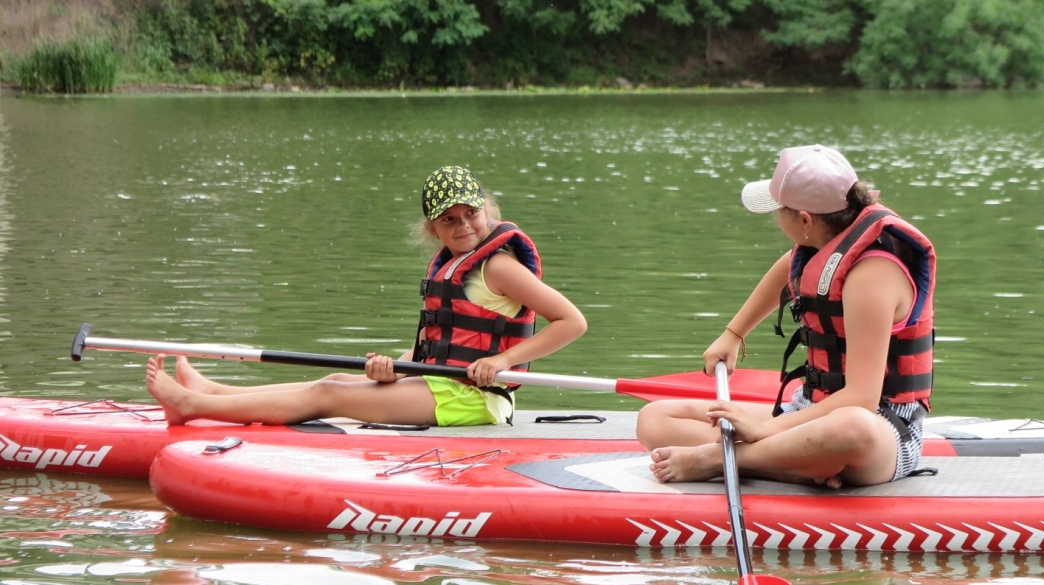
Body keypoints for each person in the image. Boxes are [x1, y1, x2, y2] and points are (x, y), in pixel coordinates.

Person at [145, 165, 587, 427]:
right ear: (432, 228)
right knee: (340, 381)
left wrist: (503, 362)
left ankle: (191, 406)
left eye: (471, 214)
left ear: (487, 210)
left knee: (327, 395)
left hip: (474, 399)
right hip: (439, 384)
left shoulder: (500, 266)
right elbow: (440, 337)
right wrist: (394, 367)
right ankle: (218, 391)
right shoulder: (451, 264)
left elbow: (572, 322)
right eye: (448, 220)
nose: (463, 225)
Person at [636, 144, 935, 489]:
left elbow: (862, 399)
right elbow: (784, 273)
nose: (776, 219)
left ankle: (721, 459)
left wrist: (765, 429)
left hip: (883, 431)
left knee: (853, 427)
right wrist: (733, 334)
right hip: (808, 410)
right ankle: (787, 465)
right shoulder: (821, 247)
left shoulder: (872, 275)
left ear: (806, 219)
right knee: (655, 419)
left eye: (779, 210)